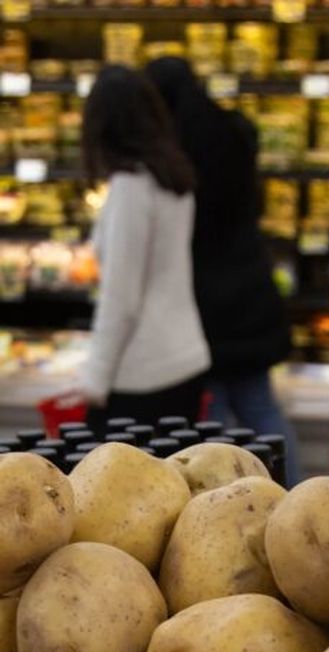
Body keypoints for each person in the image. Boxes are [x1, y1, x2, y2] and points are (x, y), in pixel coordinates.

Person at [145, 58, 299, 483]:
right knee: (261, 409)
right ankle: (291, 493)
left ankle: (214, 498)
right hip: (251, 291)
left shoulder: (173, 154)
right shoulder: (235, 133)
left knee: (209, 416)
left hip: (205, 304)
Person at [72, 65, 210, 431]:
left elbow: (121, 298)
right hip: (185, 357)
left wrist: (95, 378)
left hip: (142, 373)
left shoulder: (130, 188)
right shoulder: (173, 176)